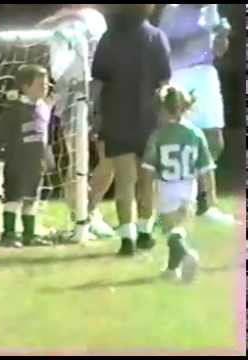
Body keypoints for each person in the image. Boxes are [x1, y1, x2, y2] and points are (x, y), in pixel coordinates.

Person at [91, 4, 171, 256]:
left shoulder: (109, 38)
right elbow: (164, 82)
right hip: (150, 119)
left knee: (125, 180)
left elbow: (98, 82)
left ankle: (127, 238)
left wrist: (94, 115)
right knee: (147, 180)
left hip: (117, 118)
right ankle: (145, 232)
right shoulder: (157, 37)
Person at [37, 5, 115, 239]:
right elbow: (58, 68)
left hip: (102, 92)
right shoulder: (60, 23)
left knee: (110, 155)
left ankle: (89, 212)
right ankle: (80, 219)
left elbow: (106, 56)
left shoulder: (97, 19)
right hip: (73, 94)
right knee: (76, 158)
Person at [158, 4, 234, 223]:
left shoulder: (211, 9)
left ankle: (205, 204)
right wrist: (194, 40)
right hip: (179, 74)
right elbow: (164, 47)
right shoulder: (172, 10)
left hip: (206, 74)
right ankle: (173, 202)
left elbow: (218, 50)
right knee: (177, 139)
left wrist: (222, 36)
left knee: (214, 140)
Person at [141, 84, 217, 282]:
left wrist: (146, 198)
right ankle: (171, 270)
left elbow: (148, 171)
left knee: (171, 232)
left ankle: (186, 255)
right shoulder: (196, 134)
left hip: (167, 188)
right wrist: (210, 197)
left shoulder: (158, 136)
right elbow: (206, 168)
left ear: (164, 109)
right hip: (188, 188)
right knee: (178, 230)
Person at [0, 65, 55, 248]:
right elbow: (0, 132)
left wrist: (48, 155)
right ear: (25, 87)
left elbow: (46, 136)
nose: (45, 88)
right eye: (40, 85)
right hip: (16, 162)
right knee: (13, 198)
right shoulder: (15, 110)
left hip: (36, 163)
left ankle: (29, 235)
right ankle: (8, 234)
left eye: (46, 84)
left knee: (31, 199)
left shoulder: (44, 109)